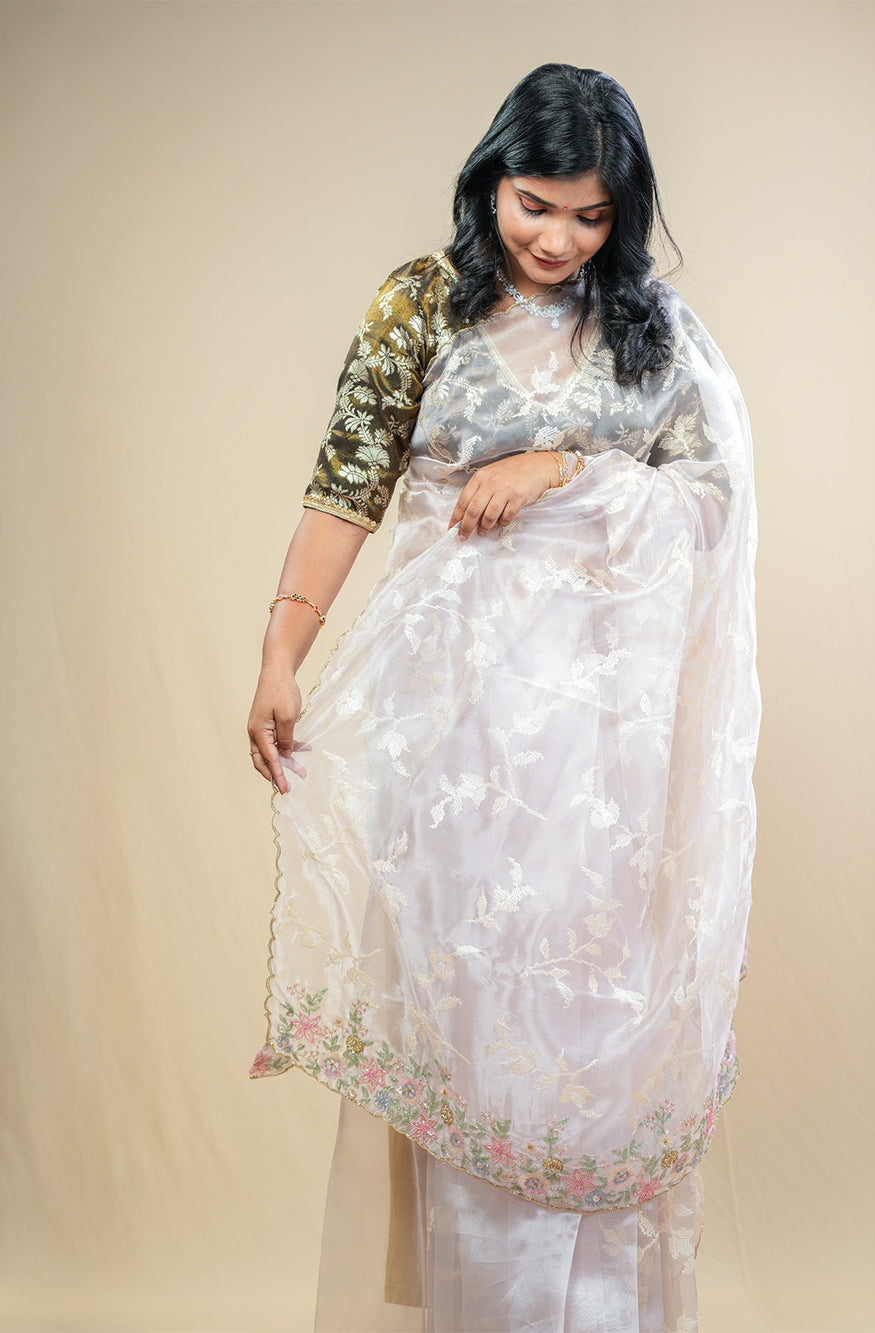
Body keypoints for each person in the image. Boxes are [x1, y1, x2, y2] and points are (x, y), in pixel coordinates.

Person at [248, 62, 759, 1333]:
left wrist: (566, 469)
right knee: (471, 1020)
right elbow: (347, 484)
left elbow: (712, 505)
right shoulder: (420, 303)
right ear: (489, 180)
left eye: (591, 216)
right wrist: (280, 653)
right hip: (456, 742)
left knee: (588, 1028)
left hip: (608, 766)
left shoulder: (653, 328)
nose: (558, 239)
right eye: (536, 204)